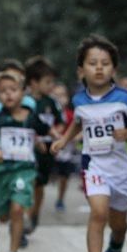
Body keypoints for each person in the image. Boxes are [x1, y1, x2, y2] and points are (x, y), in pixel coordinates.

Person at [50, 35, 127, 252]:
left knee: (118, 222)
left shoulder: (124, 98)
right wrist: (64, 139)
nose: (98, 67)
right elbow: (78, 122)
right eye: (92, 63)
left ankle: (116, 243)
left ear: (113, 69)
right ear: (81, 70)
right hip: (94, 164)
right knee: (98, 212)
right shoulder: (79, 100)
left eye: (104, 63)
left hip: (122, 169)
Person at [0, 70, 53, 252]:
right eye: (3, 91)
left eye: (13, 90)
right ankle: (12, 216)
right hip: (1, 172)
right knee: (2, 216)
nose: (8, 94)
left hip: (24, 170)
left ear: (23, 93)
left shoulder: (32, 117)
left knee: (17, 210)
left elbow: (45, 131)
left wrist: (50, 141)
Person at [24, 56, 64, 231]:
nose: (51, 86)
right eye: (47, 82)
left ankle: (34, 214)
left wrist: (57, 135)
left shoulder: (52, 102)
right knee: (29, 181)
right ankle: (24, 216)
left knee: (40, 184)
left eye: (52, 82)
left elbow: (60, 122)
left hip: (46, 149)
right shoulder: (25, 101)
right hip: (27, 148)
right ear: (33, 82)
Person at [51, 83, 77, 211]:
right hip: (48, 149)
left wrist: (69, 139)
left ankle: (60, 199)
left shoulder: (71, 114)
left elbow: (77, 130)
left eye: (62, 95)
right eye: (56, 95)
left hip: (65, 151)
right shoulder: (48, 113)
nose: (59, 99)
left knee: (64, 177)